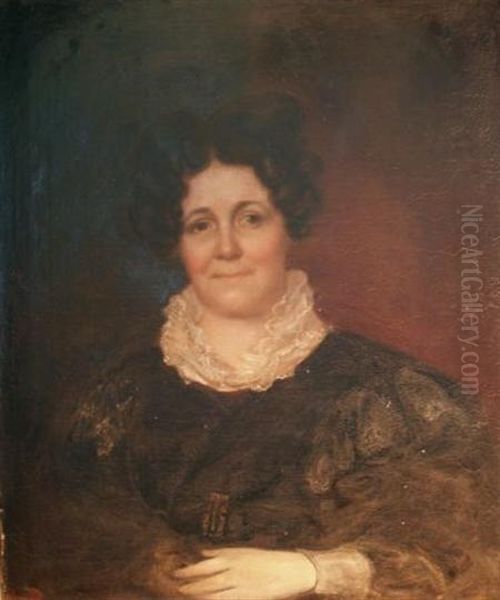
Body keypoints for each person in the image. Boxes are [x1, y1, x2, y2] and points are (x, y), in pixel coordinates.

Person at [10, 94, 500, 599]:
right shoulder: (119, 399)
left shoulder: (389, 397)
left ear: (288, 226)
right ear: (177, 243)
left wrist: (309, 571)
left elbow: (458, 559)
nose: (226, 248)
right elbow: (60, 547)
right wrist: (156, 567)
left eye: (250, 219)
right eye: (201, 225)